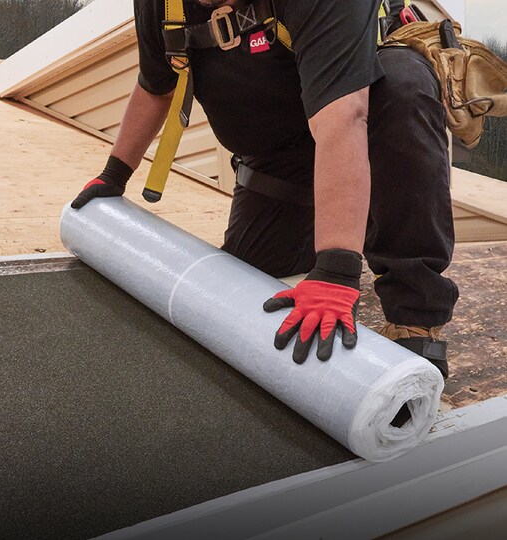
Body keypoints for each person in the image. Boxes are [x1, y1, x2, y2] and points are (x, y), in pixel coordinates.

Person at [72, 0, 458, 377]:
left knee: (403, 84)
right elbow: (158, 85)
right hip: (280, 154)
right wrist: (114, 174)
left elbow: (344, 117)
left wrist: (336, 274)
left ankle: (414, 317)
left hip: (365, 118)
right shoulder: (163, 4)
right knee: (245, 300)